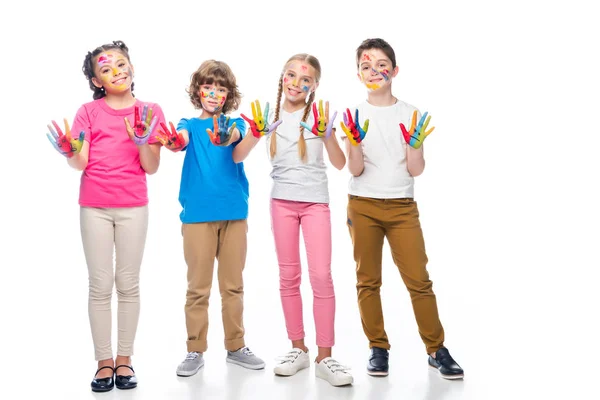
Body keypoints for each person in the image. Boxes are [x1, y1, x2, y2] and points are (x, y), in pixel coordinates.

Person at [45, 40, 166, 392]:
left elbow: (152, 168)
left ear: (132, 67)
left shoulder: (150, 110)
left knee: (128, 284)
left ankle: (125, 360)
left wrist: (144, 139)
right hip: (94, 207)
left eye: (121, 63)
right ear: (97, 81)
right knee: (100, 286)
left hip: (133, 207)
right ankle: (103, 362)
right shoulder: (88, 111)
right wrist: (70, 151)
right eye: (107, 68)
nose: (117, 71)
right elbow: (79, 162)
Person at [341, 38, 464, 380]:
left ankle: (436, 350)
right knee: (368, 281)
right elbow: (354, 170)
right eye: (366, 66)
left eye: (381, 65)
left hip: (402, 207)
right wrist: (352, 142)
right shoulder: (353, 115)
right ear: (358, 74)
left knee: (419, 280)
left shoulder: (411, 113)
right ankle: (377, 348)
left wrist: (416, 144)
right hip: (362, 204)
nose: (374, 71)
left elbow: (415, 169)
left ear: (394, 71)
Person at [156, 60, 265, 377]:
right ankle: (194, 350)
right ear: (198, 90)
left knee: (233, 286)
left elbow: (237, 147)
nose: (214, 93)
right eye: (208, 86)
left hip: (234, 214)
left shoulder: (236, 125)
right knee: (198, 288)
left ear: (229, 94)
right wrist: (173, 141)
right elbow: (180, 140)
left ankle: (236, 346)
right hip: (197, 218)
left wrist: (247, 134)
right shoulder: (189, 124)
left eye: (221, 88)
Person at [256, 53, 353, 387]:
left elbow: (340, 164)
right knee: (288, 276)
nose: (296, 83)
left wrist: (327, 136)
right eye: (291, 75)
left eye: (305, 79)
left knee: (322, 276)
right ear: (282, 77)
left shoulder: (319, 115)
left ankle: (325, 356)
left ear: (314, 86)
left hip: (315, 205)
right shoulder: (270, 115)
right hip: (281, 203)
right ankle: (298, 348)